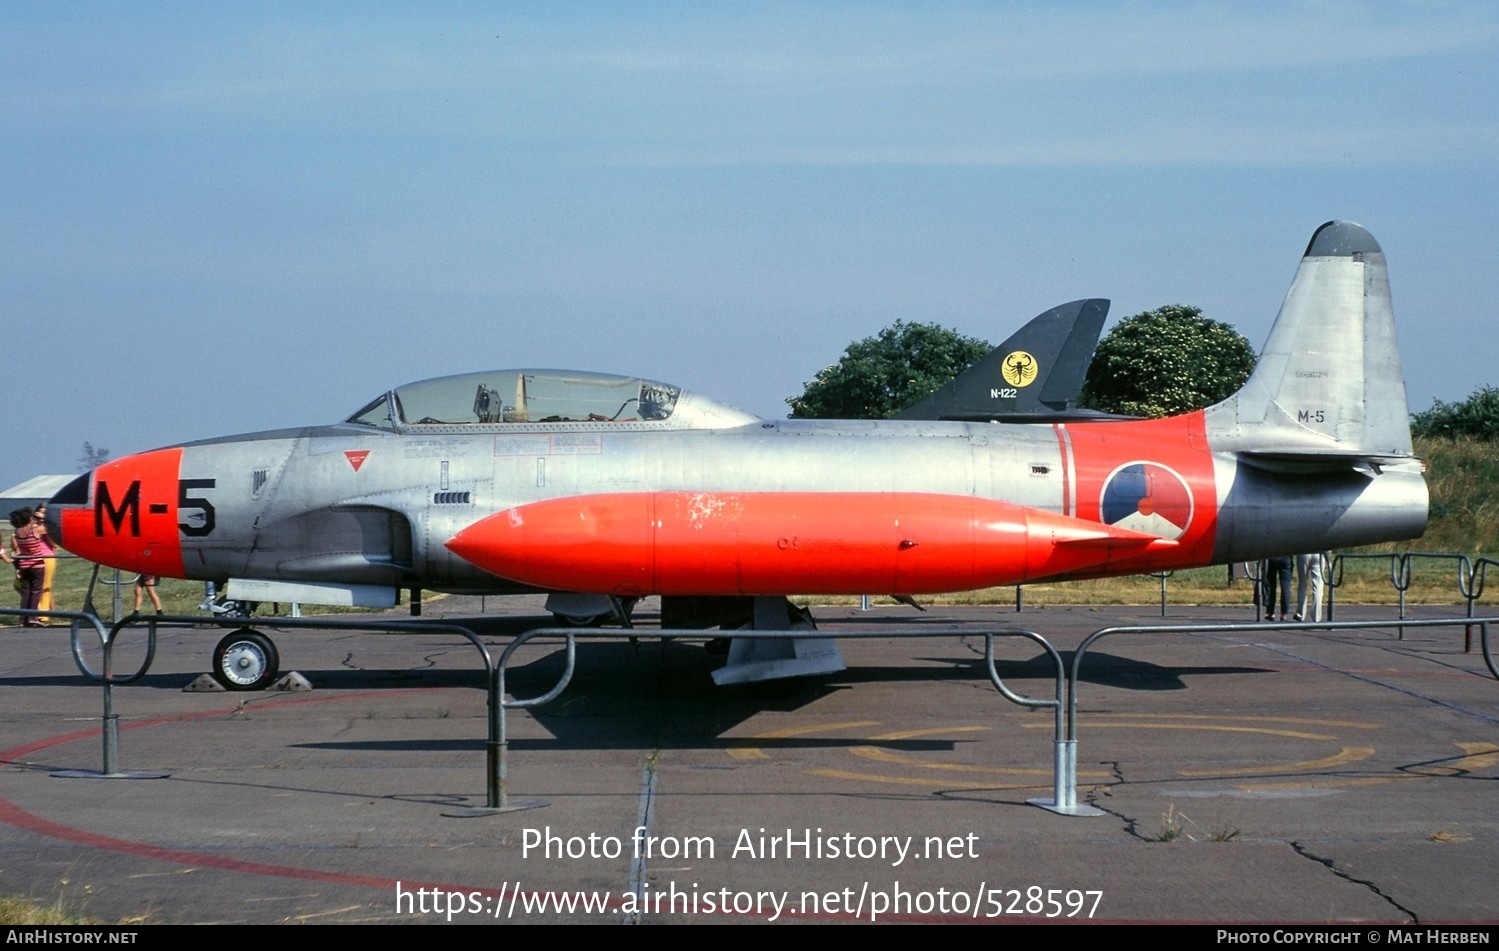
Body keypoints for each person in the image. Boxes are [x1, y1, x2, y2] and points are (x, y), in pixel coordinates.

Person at [8, 508, 46, 626]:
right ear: (29, 518)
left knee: (26, 592)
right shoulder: (35, 530)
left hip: (24, 564)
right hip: (37, 564)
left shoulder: (17, 531)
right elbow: (49, 528)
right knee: (36, 591)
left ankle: (22, 618)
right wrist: (42, 518)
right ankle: (32, 617)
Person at [1294, 551, 1330, 622]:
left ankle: (1300, 613)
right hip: (1319, 553)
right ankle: (1316, 616)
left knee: (1302, 583)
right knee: (1318, 586)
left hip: (1304, 551)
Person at [1261, 555, 1294, 622]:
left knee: (1271, 586)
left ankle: (1271, 612)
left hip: (1272, 557)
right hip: (1286, 557)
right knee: (1285, 587)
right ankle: (1284, 614)